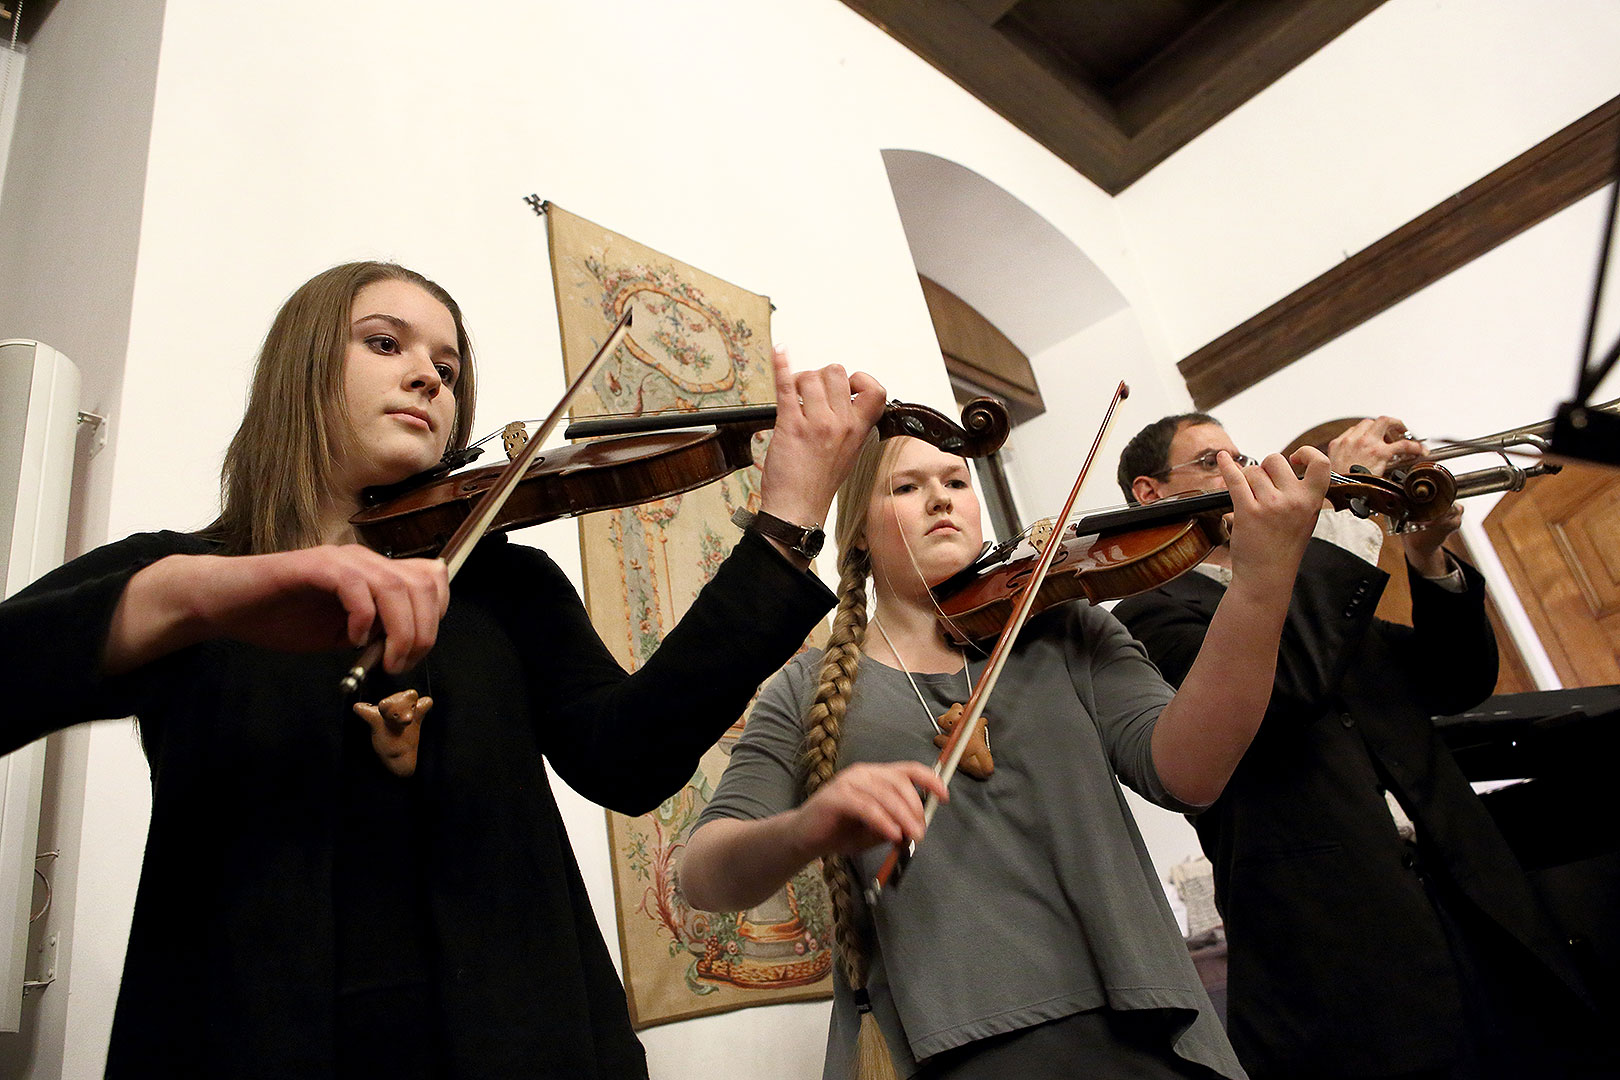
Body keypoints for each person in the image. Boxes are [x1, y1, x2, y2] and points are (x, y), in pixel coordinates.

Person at [0, 261, 887, 1078]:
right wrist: (198, 597)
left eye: (449, 368)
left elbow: (632, 760)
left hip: (519, 1043)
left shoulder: (503, 583)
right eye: (385, 343)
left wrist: (784, 526)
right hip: (243, 1040)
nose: (429, 376)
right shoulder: (190, 579)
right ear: (301, 368)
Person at [678, 425, 1333, 1079]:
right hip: (960, 1048)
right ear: (857, 534)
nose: (942, 498)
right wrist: (803, 829)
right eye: (907, 487)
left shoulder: (1066, 627)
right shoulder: (806, 687)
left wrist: (1261, 582)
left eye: (957, 483)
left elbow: (1190, 773)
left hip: (1145, 1030)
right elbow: (703, 877)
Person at [1112, 412, 1609, 1080]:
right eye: (1212, 462)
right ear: (1148, 492)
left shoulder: (1312, 592)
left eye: (1242, 454)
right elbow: (1289, 688)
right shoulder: (1148, 615)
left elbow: (1454, 679)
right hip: (1349, 955)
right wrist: (1336, 525)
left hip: (1479, 911)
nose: (1242, 471)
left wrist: (1427, 556)